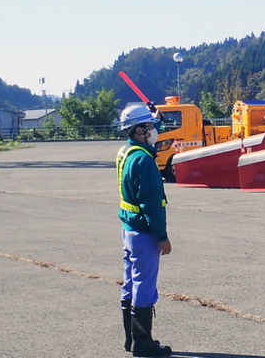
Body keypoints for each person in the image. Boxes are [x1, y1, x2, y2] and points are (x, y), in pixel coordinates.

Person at [116, 103, 173, 357]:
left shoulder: (126, 152)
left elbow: (150, 129)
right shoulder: (145, 161)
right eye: (150, 126)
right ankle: (143, 344)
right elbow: (152, 204)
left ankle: (131, 339)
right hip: (144, 232)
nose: (155, 130)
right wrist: (162, 237)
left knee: (130, 283)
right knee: (145, 286)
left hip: (129, 229)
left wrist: (155, 117)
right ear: (140, 130)